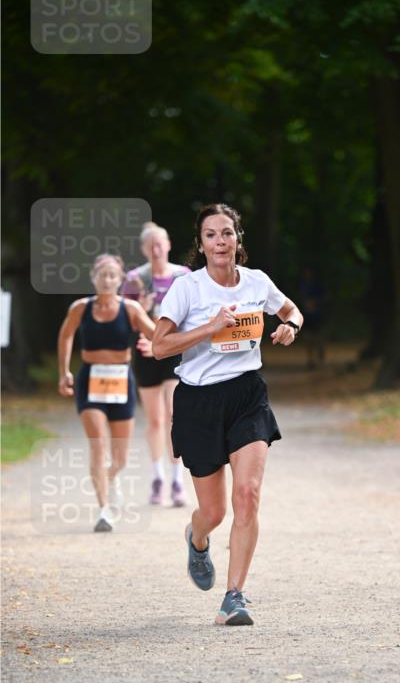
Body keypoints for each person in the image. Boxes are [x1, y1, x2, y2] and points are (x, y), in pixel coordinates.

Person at [152, 203, 303, 626]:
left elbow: (291, 309)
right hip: (199, 402)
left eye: (227, 233)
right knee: (214, 512)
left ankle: (233, 597)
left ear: (239, 239)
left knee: (248, 495)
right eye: (211, 235)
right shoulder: (188, 289)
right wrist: (209, 328)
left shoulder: (257, 282)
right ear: (201, 245)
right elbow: (160, 346)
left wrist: (292, 326)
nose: (221, 242)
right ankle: (197, 538)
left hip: (247, 396)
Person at [57, 254, 155, 532]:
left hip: (121, 381)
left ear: (121, 279)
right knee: (99, 446)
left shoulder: (132, 309)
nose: (108, 279)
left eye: (113, 275)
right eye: (103, 275)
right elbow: (66, 335)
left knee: (120, 457)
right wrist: (64, 371)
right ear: (94, 277)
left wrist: (158, 339)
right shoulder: (80, 308)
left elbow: (156, 334)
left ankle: (110, 478)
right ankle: (104, 510)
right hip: (90, 380)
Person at [123, 222, 191, 507]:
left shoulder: (183, 276)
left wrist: (168, 342)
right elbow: (125, 319)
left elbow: (193, 315)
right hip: (145, 352)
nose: (156, 249)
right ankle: (157, 477)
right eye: (150, 245)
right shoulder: (135, 279)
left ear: (168, 244)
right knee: (155, 419)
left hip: (173, 351)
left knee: (174, 415)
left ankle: (178, 479)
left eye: (159, 244)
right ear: (143, 249)